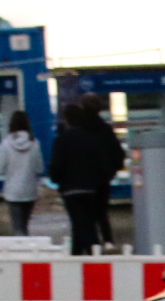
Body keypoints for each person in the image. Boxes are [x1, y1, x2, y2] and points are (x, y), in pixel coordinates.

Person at [47, 101, 121, 254]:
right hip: (91, 188)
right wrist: (101, 179)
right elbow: (104, 164)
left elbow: (56, 166)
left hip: (70, 189)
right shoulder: (92, 140)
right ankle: (83, 252)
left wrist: (56, 180)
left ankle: (88, 252)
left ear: (67, 120)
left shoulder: (62, 140)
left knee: (78, 221)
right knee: (87, 221)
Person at [0, 109, 44, 236]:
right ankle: (27, 248)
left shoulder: (6, 144)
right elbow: (40, 169)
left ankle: (21, 250)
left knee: (17, 226)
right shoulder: (35, 143)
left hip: (12, 192)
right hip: (30, 191)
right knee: (25, 225)